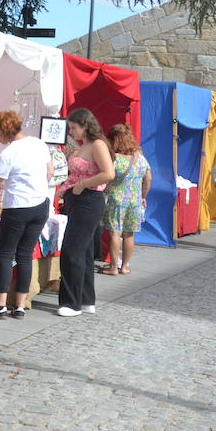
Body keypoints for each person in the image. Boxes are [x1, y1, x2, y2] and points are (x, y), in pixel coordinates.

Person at [0, 110, 52, 320]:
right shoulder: (39, 144)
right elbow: (50, 172)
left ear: (5, 131)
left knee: (6, 254)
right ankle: (20, 305)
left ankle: (1, 304)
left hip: (17, 207)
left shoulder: (8, 153)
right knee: (25, 254)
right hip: (40, 205)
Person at [56, 109, 115, 317]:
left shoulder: (98, 144)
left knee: (72, 251)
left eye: (73, 128)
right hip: (78, 201)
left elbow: (108, 173)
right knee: (85, 252)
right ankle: (86, 299)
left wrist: (83, 184)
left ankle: (72, 302)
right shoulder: (85, 146)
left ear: (85, 125)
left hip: (88, 201)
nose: (71, 132)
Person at [101, 124, 150, 277]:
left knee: (115, 233)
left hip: (116, 200)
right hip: (135, 201)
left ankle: (113, 267)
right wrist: (143, 196)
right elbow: (148, 179)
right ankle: (125, 266)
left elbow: (105, 178)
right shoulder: (140, 158)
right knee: (129, 234)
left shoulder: (115, 160)